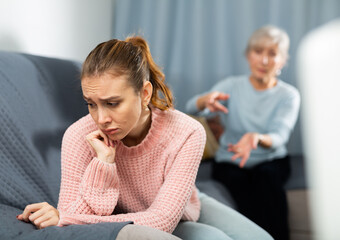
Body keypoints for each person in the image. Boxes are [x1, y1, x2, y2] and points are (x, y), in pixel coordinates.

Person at [17, 36, 273, 240]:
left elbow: (161, 219)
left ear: (145, 93)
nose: (101, 118)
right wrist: (104, 164)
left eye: (112, 103)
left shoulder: (187, 132)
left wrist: (66, 217)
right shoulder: (78, 136)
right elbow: (73, 222)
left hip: (177, 208)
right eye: (91, 104)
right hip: (134, 220)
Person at [186, 25, 300, 240]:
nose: (264, 61)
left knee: (267, 180)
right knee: (237, 182)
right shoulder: (231, 86)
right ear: (248, 55)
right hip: (231, 158)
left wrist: (256, 138)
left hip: (271, 159)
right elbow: (192, 107)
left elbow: (280, 136)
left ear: (283, 60)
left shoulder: (289, 95)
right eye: (258, 52)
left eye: (272, 54)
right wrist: (204, 101)